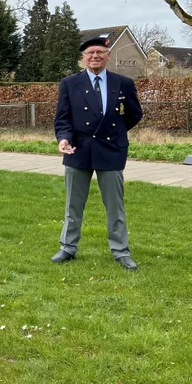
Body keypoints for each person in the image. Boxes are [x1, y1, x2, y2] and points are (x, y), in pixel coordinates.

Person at [52, 36, 143, 271]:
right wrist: (64, 139)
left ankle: (121, 251)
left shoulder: (123, 83)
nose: (95, 56)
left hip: (111, 150)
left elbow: (134, 114)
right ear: (83, 58)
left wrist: (116, 133)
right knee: (73, 204)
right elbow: (62, 119)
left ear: (108, 56)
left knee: (115, 206)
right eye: (90, 53)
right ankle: (67, 247)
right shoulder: (69, 83)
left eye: (100, 53)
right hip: (78, 150)